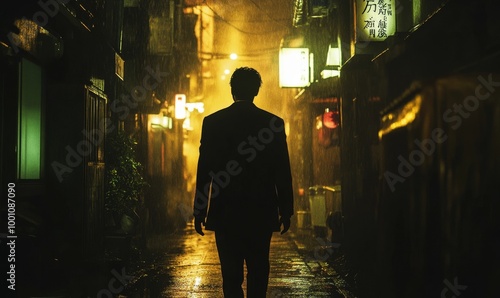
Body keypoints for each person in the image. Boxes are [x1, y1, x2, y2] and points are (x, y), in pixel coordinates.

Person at [192, 67, 294, 297]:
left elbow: (205, 171)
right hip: (261, 211)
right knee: (258, 271)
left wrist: (200, 210)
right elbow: (282, 170)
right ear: (256, 91)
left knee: (231, 276)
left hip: (227, 213)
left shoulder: (213, 123)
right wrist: (286, 210)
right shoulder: (273, 124)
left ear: (232, 90)